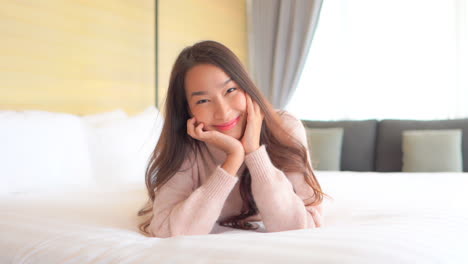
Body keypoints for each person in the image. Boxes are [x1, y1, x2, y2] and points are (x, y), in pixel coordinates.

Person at [138, 40, 325, 238]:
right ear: (188, 110)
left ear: (246, 87)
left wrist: (254, 152)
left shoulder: (284, 127)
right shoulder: (187, 145)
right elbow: (167, 230)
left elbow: (301, 227)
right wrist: (233, 158)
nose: (223, 112)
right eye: (203, 100)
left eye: (230, 90)